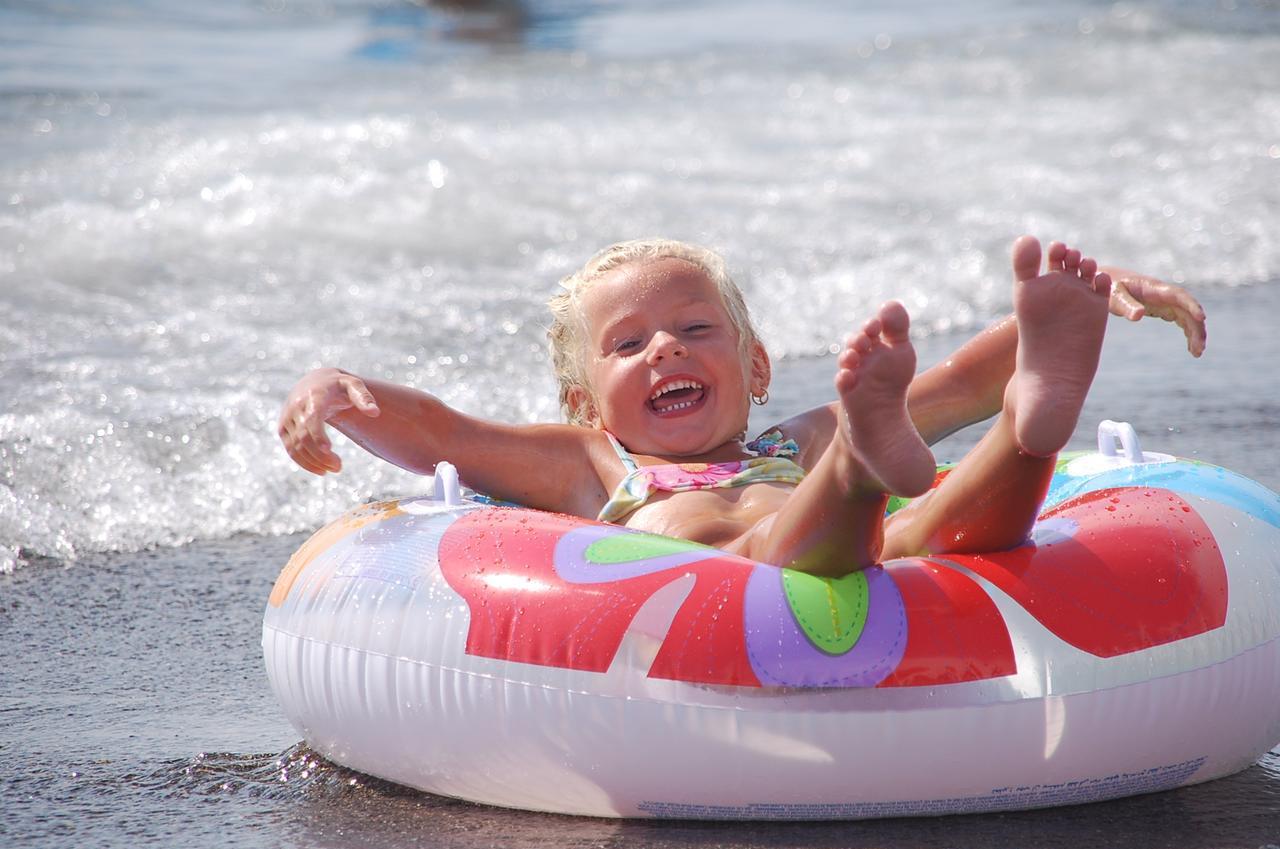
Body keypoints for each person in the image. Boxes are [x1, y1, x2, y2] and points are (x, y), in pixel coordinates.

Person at [278, 236, 1206, 577]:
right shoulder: (593, 462)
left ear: (755, 364)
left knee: (934, 528)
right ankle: (870, 465)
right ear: (584, 400)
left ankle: (1032, 419)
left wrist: (1075, 300)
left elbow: (961, 382)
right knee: (810, 528)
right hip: (736, 566)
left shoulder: (788, 433)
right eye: (629, 344)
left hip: (867, 543)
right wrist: (342, 392)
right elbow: (445, 433)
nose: (667, 349)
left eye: (693, 328)